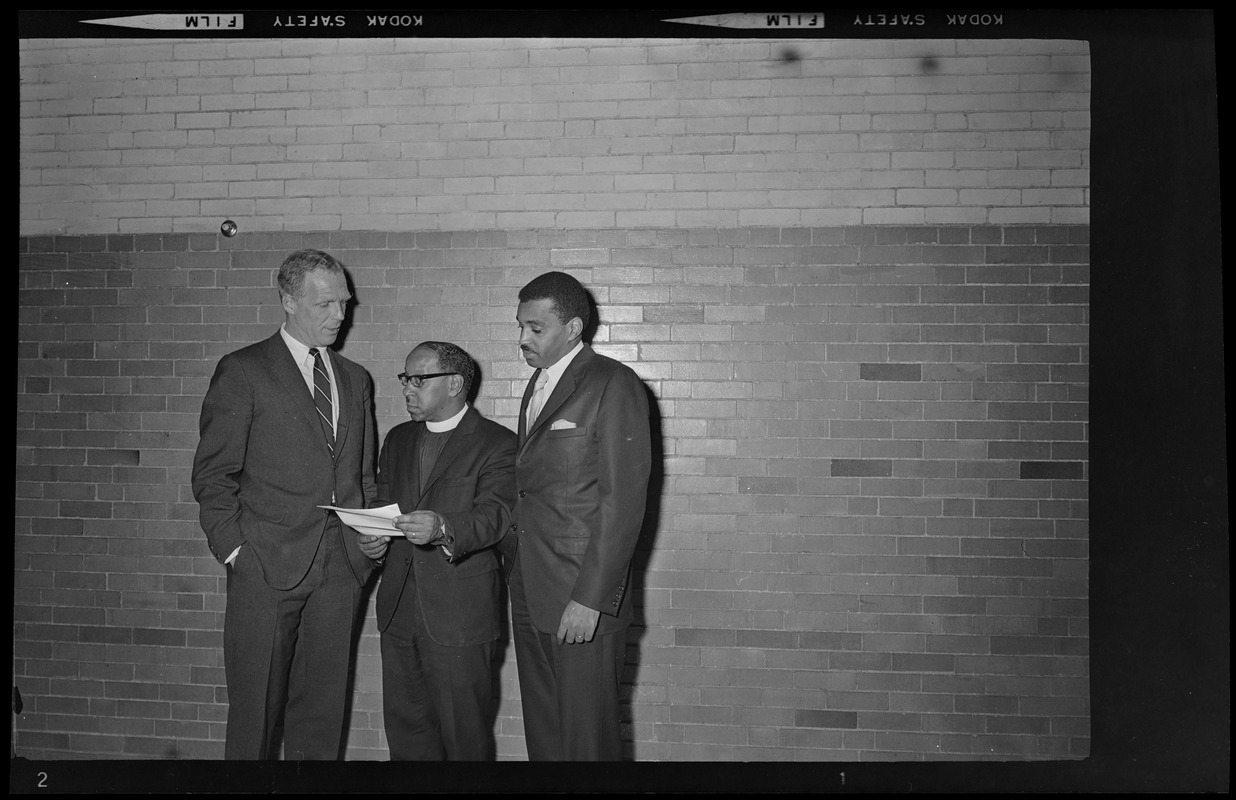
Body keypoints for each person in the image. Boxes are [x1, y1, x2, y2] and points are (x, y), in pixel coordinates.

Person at [191, 249, 378, 760]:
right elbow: (213, 477)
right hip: (265, 568)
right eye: (325, 304)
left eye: (344, 302)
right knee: (255, 719)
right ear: (288, 301)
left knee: (320, 722)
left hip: (340, 573)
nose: (340, 315)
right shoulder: (244, 370)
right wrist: (236, 553)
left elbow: (361, 475)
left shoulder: (355, 378)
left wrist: (367, 541)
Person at [505, 271, 653, 761]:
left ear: (572, 329)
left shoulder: (614, 383)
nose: (523, 338)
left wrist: (591, 599)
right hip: (531, 591)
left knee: (587, 744)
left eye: (535, 328)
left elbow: (622, 504)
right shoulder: (538, 385)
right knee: (545, 737)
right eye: (520, 326)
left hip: (580, 598)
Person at [356, 342, 516, 761]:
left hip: (459, 616)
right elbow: (383, 504)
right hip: (398, 610)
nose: (407, 389)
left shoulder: (498, 443)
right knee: (407, 739)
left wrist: (443, 526)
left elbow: (496, 517)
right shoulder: (398, 439)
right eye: (405, 379)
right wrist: (373, 539)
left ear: (455, 385)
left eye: (418, 379)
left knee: (465, 743)